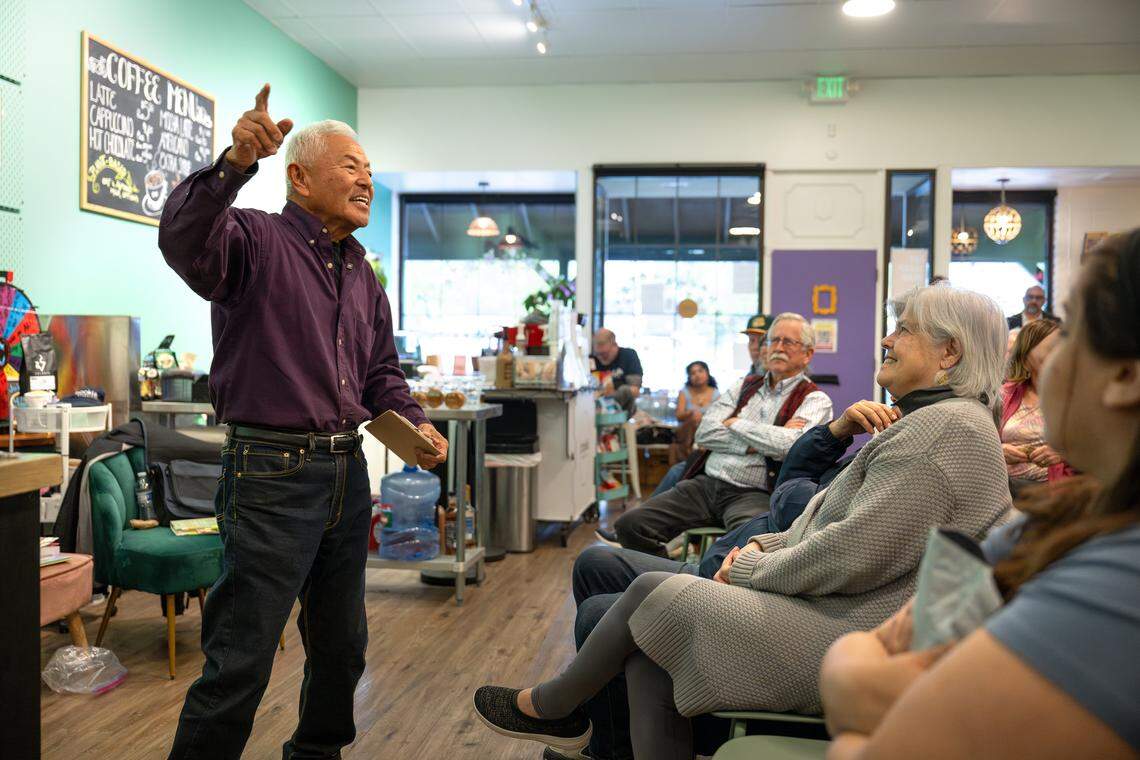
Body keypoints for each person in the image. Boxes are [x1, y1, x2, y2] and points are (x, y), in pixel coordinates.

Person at [472, 285, 1011, 760]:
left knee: (660, 597)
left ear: (949, 351)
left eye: (902, 330)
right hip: (815, 588)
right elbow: (808, 509)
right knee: (651, 632)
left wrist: (752, 564)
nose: (887, 341)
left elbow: (850, 554)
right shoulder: (932, 421)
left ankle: (553, 707)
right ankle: (567, 717)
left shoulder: (943, 432)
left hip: (852, 629)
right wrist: (763, 551)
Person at [161, 85, 448, 759]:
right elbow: (181, 239)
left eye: (370, 172)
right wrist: (234, 163)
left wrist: (415, 424)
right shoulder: (252, 239)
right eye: (351, 166)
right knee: (242, 658)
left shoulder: (361, 272)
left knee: (342, 649)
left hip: (347, 472)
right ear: (299, 175)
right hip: (269, 473)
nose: (366, 181)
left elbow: (381, 374)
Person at [820, 229, 1140, 759]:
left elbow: (873, 727)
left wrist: (848, 670)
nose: (1046, 358)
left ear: (1126, 376)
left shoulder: (1121, 577)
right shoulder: (1065, 519)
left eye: (1069, 331)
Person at [612, 313, 832, 558]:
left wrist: (735, 423)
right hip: (706, 484)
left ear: (808, 354)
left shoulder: (815, 400)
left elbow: (789, 446)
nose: (778, 348)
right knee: (630, 526)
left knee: (737, 555)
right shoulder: (744, 385)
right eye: (773, 341)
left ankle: (698, 589)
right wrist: (755, 444)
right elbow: (705, 432)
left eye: (788, 342)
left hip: (754, 494)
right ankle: (668, 582)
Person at [1001, 319, 1069, 493]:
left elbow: (1102, 451)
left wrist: (1065, 455)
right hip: (1005, 491)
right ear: (1025, 360)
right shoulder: (1004, 395)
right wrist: (998, 451)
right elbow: (981, 446)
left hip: (1057, 492)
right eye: (1051, 349)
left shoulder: (1078, 397)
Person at [669, 361, 720, 465]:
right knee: (695, 418)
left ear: (707, 373)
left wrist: (703, 417)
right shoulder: (684, 392)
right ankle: (694, 451)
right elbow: (678, 416)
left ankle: (699, 448)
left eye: (700, 371)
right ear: (689, 377)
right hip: (685, 432)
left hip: (707, 430)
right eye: (693, 373)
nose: (697, 375)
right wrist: (691, 413)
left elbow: (719, 416)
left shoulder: (716, 393)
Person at [592, 328, 644, 418]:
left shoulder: (628, 356)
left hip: (625, 412)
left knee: (625, 390)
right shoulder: (592, 360)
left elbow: (635, 390)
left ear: (614, 344)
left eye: (604, 354)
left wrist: (612, 390)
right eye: (598, 354)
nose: (601, 358)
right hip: (595, 413)